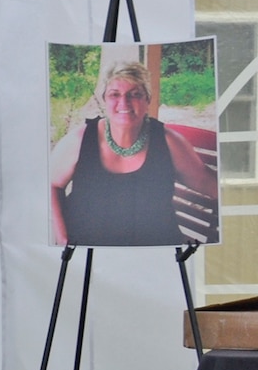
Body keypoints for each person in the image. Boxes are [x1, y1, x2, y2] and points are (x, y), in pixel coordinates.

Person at [49, 60, 217, 245]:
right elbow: (51, 185)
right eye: (115, 94)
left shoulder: (170, 142)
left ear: (148, 101)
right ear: (104, 99)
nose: (124, 102)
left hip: (154, 251)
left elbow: (208, 183)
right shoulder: (79, 141)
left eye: (135, 94)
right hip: (90, 253)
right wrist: (63, 239)